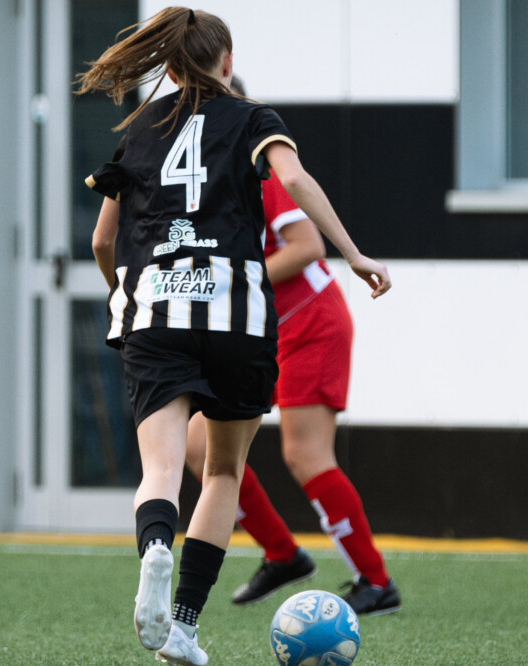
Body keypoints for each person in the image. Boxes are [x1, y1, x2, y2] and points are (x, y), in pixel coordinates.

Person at [75, 7, 391, 665]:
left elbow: (104, 239)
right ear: (226, 61)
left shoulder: (137, 132)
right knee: (222, 470)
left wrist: (125, 296)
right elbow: (296, 182)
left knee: (162, 467)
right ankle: (184, 628)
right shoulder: (252, 117)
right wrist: (355, 255)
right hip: (235, 317)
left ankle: (155, 547)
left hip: (155, 314)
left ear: (165, 65)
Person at [183, 77, 400, 619]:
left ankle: (375, 582)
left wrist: (233, 285)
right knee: (193, 445)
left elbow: (305, 247)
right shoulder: (199, 180)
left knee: (304, 454)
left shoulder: (263, 169)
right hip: (260, 329)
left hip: (311, 325)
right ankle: (282, 554)